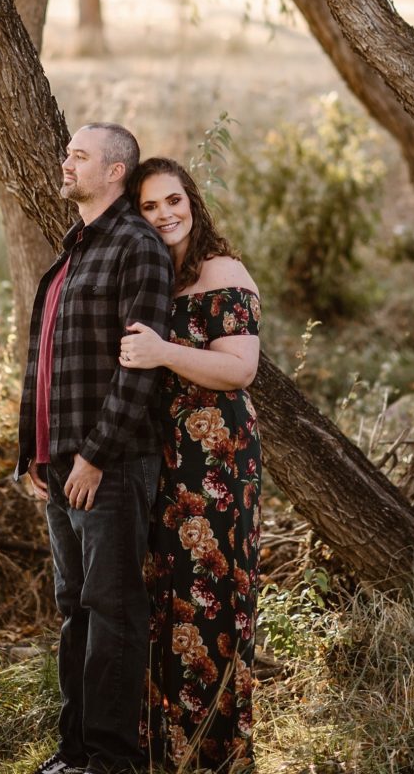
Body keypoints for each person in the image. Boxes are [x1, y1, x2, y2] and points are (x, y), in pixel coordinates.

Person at [15, 124, 174, 774]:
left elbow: (140, 369)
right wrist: (31, 451)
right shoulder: (73, 251)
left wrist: (95, 455)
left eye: (78, 155)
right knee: (74, 604)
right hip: (59, 466)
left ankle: (112, 760)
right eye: (67, 152)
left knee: (110, 605)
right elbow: (45, 360)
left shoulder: (137, 249)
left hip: (107, 465)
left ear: (115, 172)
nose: (65, 162)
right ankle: (75, 752)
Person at [120, 157, 261, 772]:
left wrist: (161, 351)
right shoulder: (157, 276)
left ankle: (214, 750)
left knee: (211, 597)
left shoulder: (222, 271)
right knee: (166, 596)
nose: (164, 215)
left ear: (192, 202)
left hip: (219, 457)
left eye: (173, 200)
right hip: (165, 455)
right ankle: (162, 749)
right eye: (149, 207)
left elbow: (240, 369)